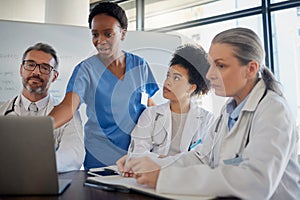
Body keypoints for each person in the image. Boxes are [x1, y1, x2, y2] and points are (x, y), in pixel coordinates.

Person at [117, 28, 300, 199]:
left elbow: (256, 182)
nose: (211, 75)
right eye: (211, 66)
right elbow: (201, 157)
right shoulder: (229, 111)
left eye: (220, 66)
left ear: (251, 69)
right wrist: (145, 163)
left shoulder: (273, 110)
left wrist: (163, 178)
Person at [48, 2, 159, 170]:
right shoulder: (86, 70)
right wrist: (40, 128)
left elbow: (147, 104)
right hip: (98, 155)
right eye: (95, 34)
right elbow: (68, 106)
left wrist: (164, 130)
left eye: (108, 34)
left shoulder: (140, 65)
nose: (100, 40)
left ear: (122, 33)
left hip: (135, 154)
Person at [117, 44, 213, 165]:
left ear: (191, 88)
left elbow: (204, 158)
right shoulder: (150, 115)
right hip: (152, 177)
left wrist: (161, 159)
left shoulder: (207, 120)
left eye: (176, 78)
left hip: (188, 179)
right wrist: (174, 161)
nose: (167, 82)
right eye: (168, 75)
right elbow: (137, 153)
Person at [0, 43, 85, 173]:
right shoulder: (2, 110)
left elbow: (74, 153)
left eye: (45, 68)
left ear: (54, 76)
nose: (36, 72)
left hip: (49, 181)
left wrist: (38, 167)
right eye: (30, 65)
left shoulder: (68, 113)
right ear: (21, 70)